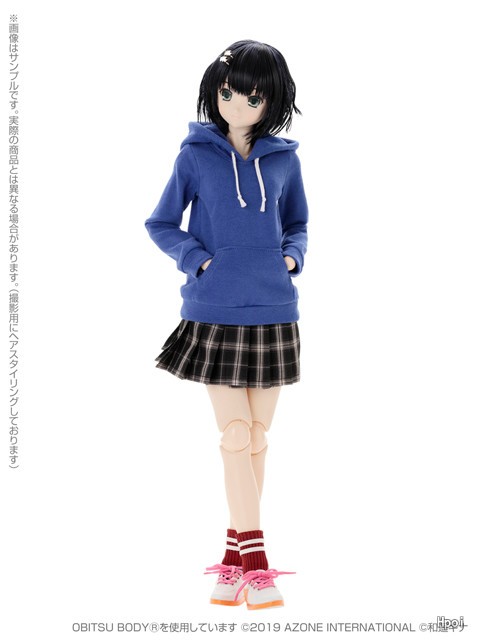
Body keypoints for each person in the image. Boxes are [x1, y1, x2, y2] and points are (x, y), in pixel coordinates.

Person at [145, 39, 308, 610]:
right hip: (213, 310)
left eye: (252, 96)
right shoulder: (194, 156)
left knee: (257, 437)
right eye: (227, 91)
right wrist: (199, 261)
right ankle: (258, 566)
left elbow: (298, 224)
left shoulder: (285, 160)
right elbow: (161, 223)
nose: (237, 103)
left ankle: (233, 561)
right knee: (235, 434)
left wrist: (291, 259)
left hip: (273, 311)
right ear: (214, 91)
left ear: (271, 100)